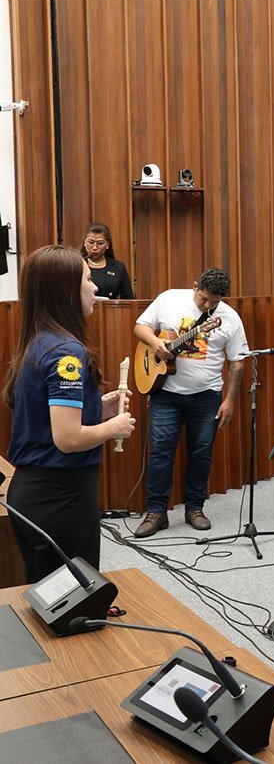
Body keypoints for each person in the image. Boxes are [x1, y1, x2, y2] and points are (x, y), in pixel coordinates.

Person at [3, 246, 136, 582]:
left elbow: (46, 417)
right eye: (88, 280)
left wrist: (98, 409)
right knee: (75, 601)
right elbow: (68, 439)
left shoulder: (39, 341)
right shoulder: (67, 353)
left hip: (36, 491)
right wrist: (114, 427)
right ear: (66, 290)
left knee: (48, 595)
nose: (95, 287)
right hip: (60, 496)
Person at [132, 269, 248, 537]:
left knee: (201, 453)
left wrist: (229, 400)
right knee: (161, 452)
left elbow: (238, 362)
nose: (208, 305)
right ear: (195, 286)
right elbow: (140, 326)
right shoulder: (169, 298)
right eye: (204, 298)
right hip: (165, 392)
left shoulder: (229, 318)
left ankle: (195, 508)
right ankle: (156, 511)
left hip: (206, 396)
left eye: (214, 301)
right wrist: (156, 343)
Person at [79, 223, 134, 300]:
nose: (94, 247)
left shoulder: (118, 267)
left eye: (100, 243)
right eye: (90, 242)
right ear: (84, 243)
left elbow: (128, 299)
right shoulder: (77, 264)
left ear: (107, 244)